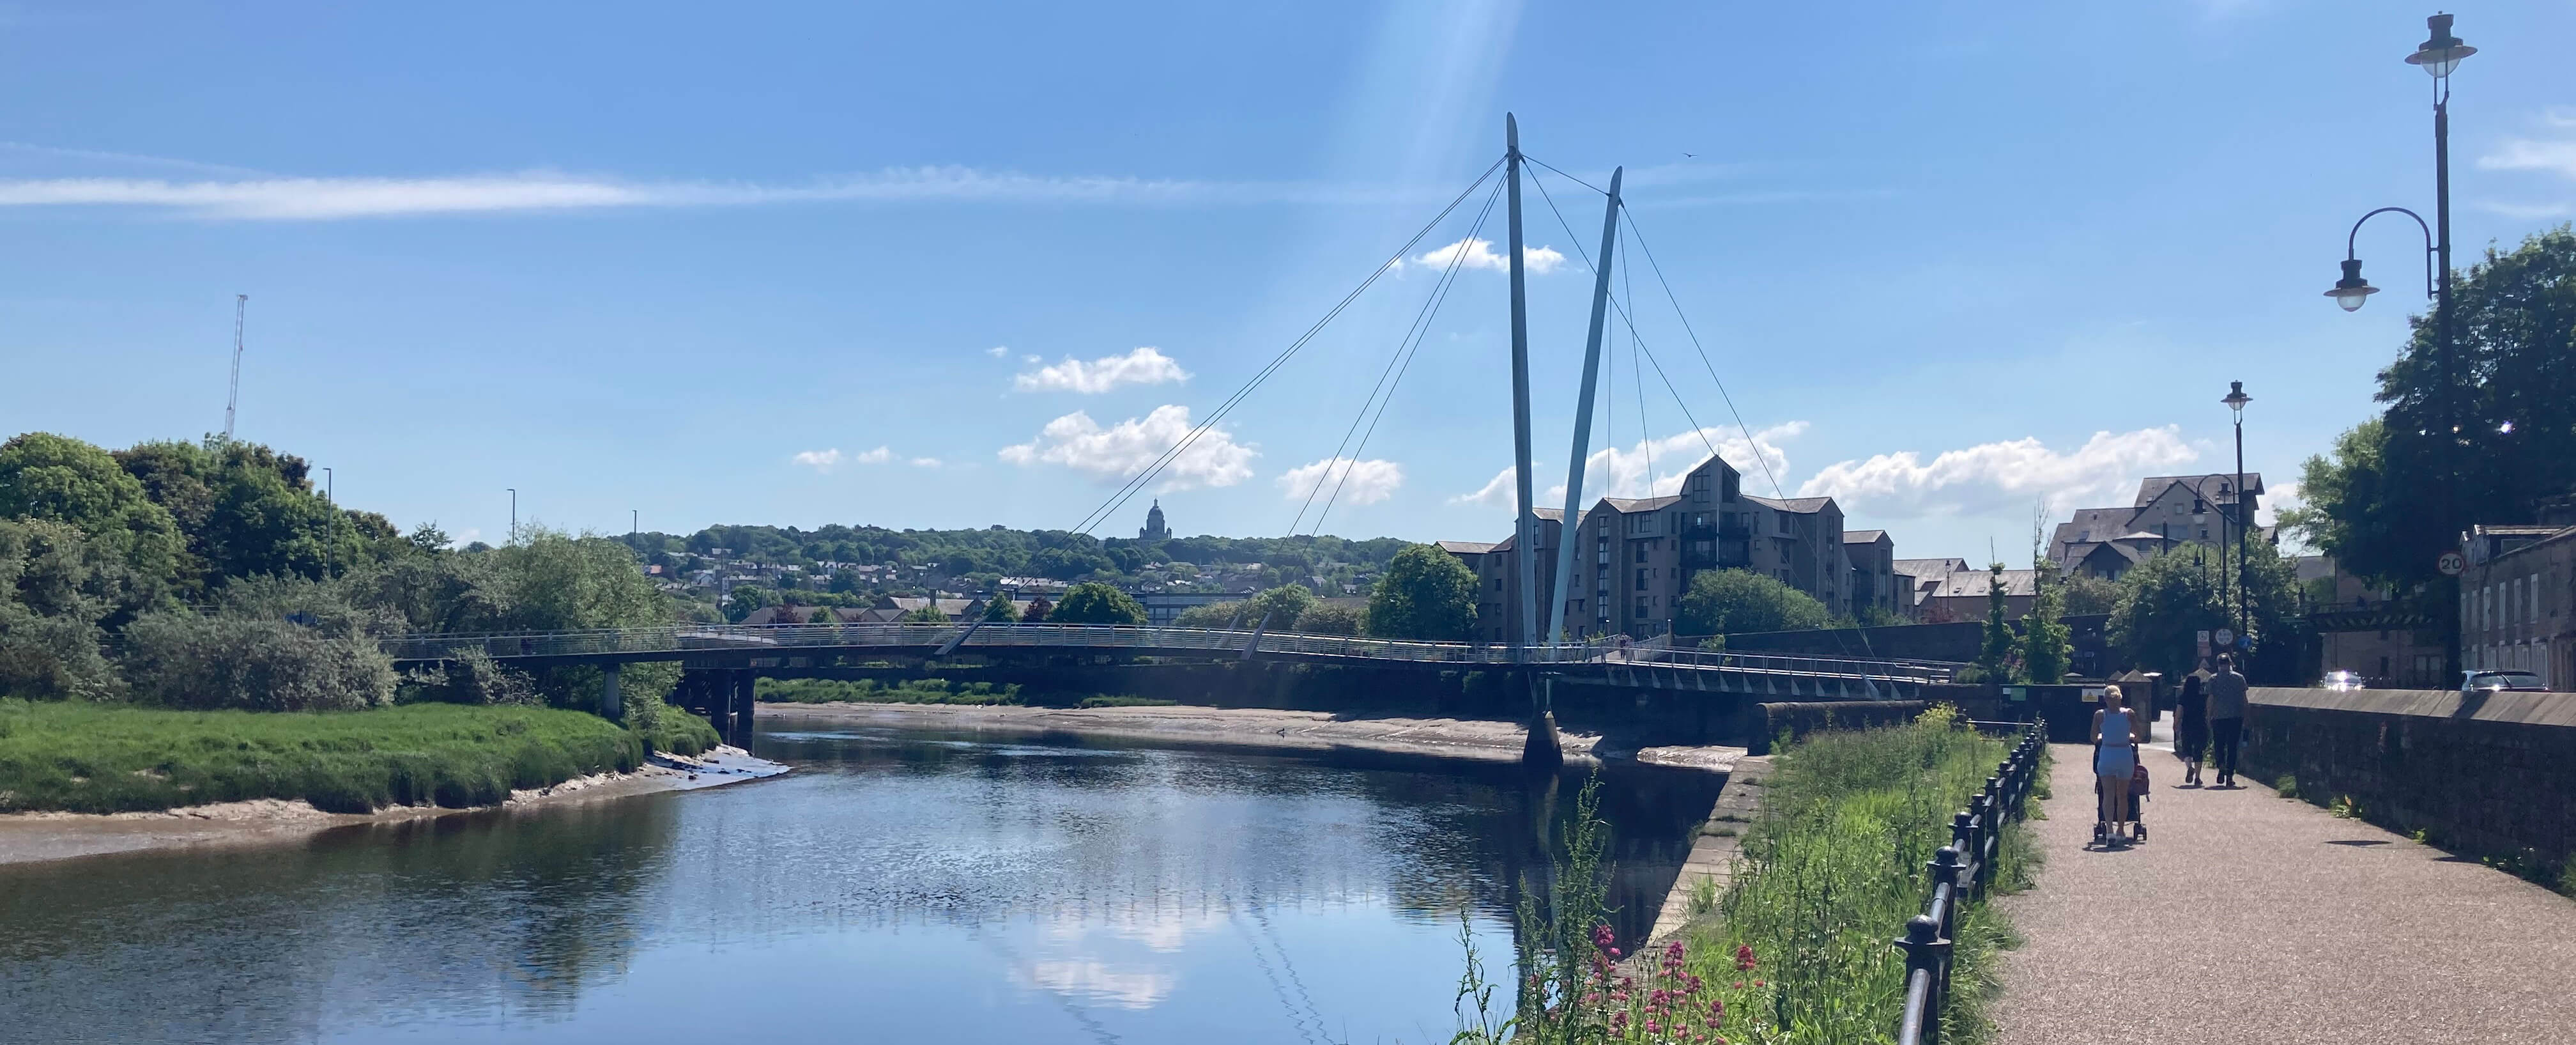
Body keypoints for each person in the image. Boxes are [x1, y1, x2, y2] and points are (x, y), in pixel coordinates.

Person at [2091, 685, 2145, 848]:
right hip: (2124, 753)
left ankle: (2109, 831)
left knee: (2108, 794)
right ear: (2120, 698)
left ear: (2105, 699)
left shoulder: (2100, 715)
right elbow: (2139, 736)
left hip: (2107, 753)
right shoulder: (2129, 714)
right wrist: (2128, 736)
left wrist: (2103, 737)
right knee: (2122, 795)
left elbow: (2093, 737)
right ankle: (2121, 830)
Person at [2205, 654, 2249, 787]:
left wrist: (2208, 716)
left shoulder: (2213, 679)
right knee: (2232, 747)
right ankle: (2230, 775)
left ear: (2218, 664)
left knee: (2219, 745)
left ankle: (2221, 766)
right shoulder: (2239, 678)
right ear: (2230, 663)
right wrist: (2246, 716)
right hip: (2236, 716)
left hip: (2218, 717)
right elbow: (2244, 699)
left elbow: (2211, 699)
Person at [2174, 663, 2210, 786]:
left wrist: (2176, 725)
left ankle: (2190, 767)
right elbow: (2208, 710)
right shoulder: (2203, 698)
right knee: (2199, 751)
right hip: (2200, 725)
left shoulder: (2183, 697)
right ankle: (2198, 778)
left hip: (2187, 725)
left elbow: (2179, 713)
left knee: (2187, 750)